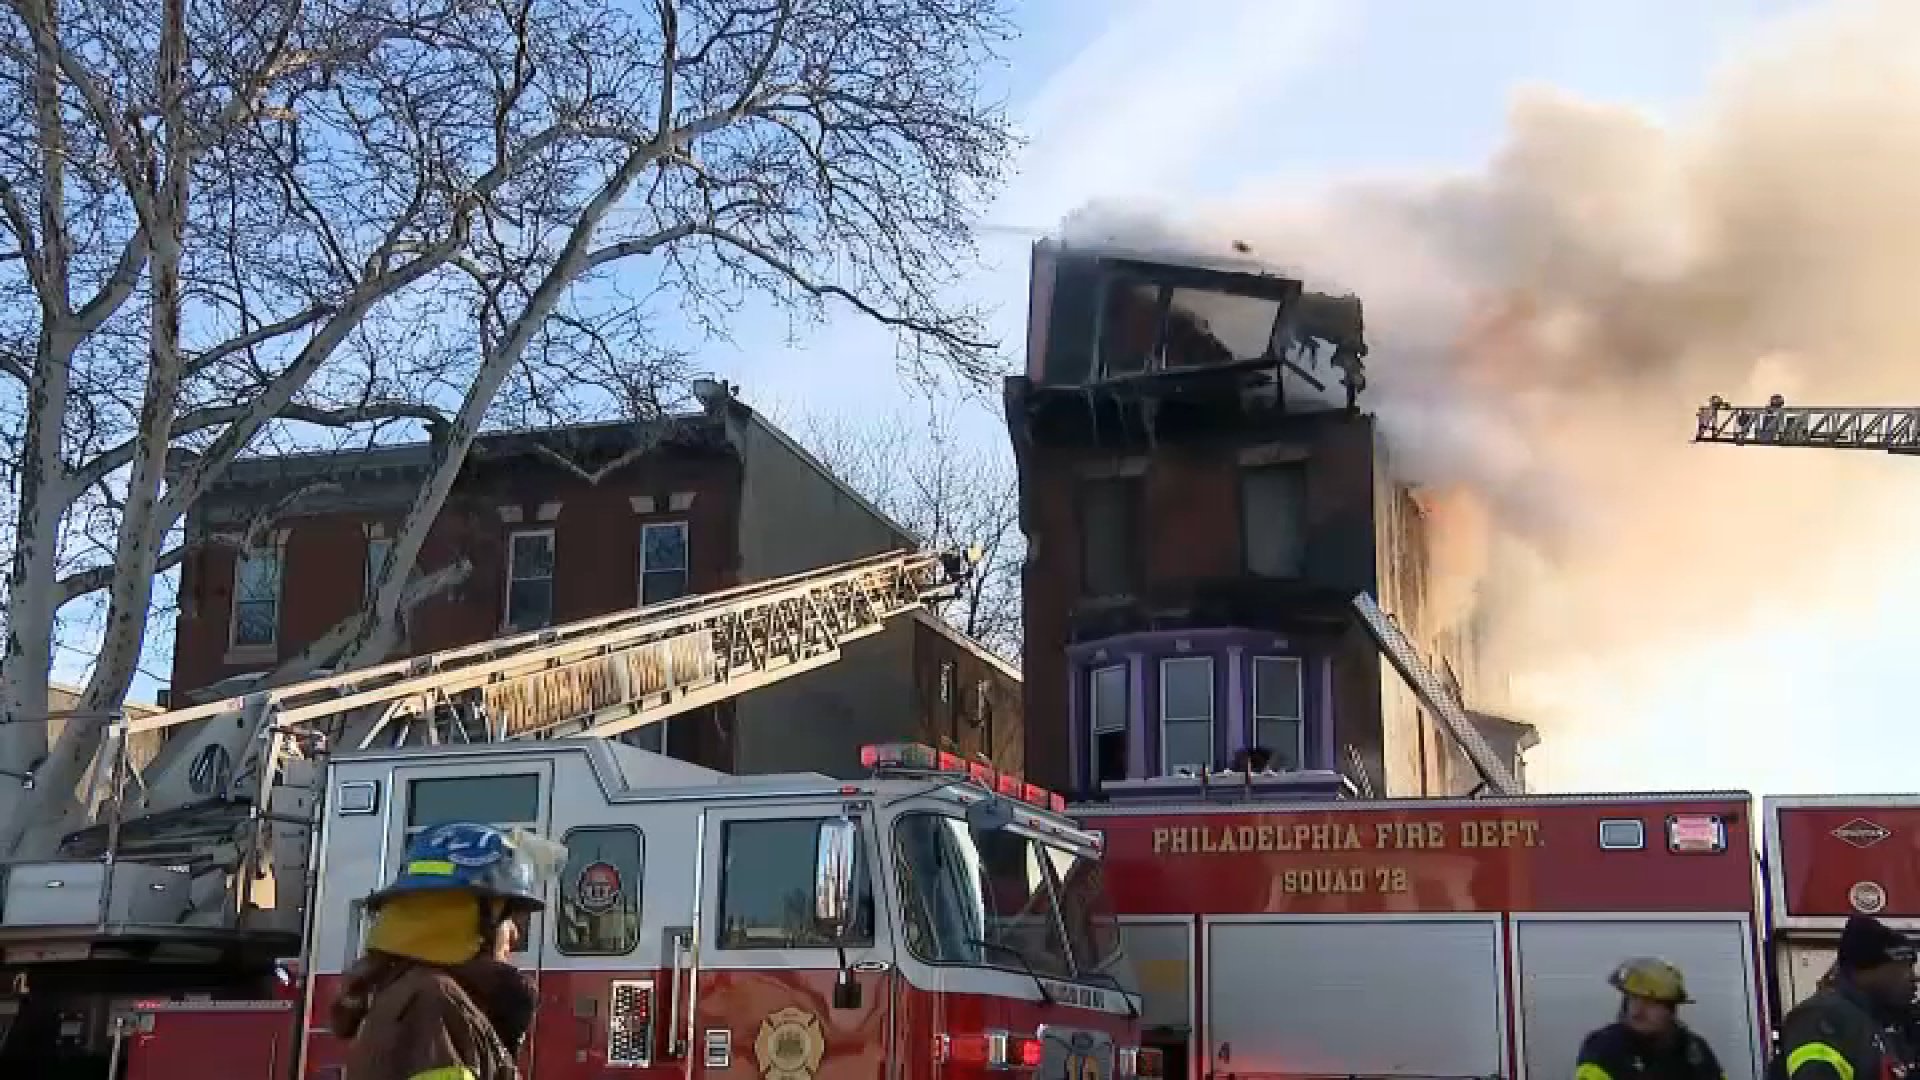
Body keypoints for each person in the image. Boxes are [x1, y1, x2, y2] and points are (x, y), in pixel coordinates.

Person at [330, 822, 548, 1080]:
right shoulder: (435, 1002)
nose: (514, 934)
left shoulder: (409, 990)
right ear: (466, 919)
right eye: (508, 919)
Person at [1769, 914, 1917, 1080]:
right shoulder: (1823, 1017)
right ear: (1864, 970)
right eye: (1904, 967)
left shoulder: (1883, 1023)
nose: (1913, 977)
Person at [1576, 958, 1726, 1080]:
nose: (1636, 1012)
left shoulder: (1696, 1051)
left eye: (1649, 1003)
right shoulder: (1604, 1048)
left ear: (1671, 1009)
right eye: (1633, 999)